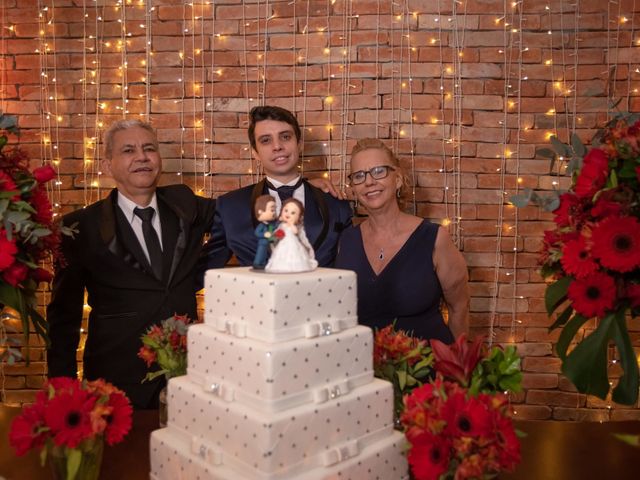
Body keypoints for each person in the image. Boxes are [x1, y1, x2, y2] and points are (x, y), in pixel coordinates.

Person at [46, 119, 216, 409]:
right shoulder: (78, 227)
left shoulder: (185, 204)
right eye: (128, 150)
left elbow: (240, 211)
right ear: (108, 164)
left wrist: (296, 188)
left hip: (186, 378)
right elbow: (64, 317)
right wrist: (61, 391)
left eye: (149, 148)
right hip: (115, 382)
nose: (141, 157)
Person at [334, 138, 469, 343]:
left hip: (427, 367)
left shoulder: (434, 238)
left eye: (379, 171)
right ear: (353, 187)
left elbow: (459, 307)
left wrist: (458, 364)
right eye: (359, 176)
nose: (369, 181)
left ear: (397, 179)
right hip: (364, 367)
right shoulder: (346, 240)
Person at [199, 105, 352, 273]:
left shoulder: (336, 205)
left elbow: (350, 268)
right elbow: (205, 268)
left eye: (285, 137)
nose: (277, 146)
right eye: (266, 140)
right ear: (255, 153)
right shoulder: (230, 206)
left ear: (299, 144)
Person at [266, 197, 318, 273]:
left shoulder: (297, 228)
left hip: (293, 245)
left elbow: (296, 233)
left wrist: (292, 226)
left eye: (293, 213)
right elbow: (278, 235)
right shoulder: (282, 226)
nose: (288, 214)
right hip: (283, 246)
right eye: (286, 210)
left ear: (299, 217)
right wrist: (273, 237)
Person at [253, 194, 278, 269]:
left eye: (275, 210)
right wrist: (265, 234)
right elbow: (257, 233)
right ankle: (259, 263)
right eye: (272, 210)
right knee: (261, 254)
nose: (274, 213)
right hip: (263, 243)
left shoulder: (273, 224)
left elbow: (275, 229)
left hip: (273, 242)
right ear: (260, 212)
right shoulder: (262, 226)